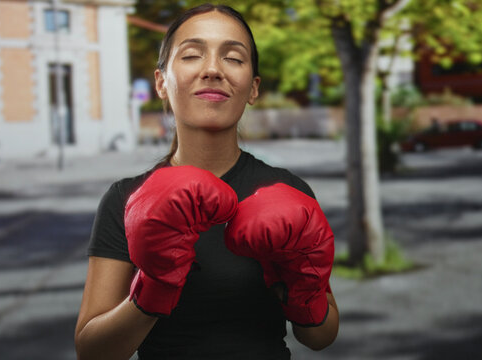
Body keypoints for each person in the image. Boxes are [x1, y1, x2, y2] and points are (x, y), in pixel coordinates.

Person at [75, 4, 339, 360]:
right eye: (192, 55)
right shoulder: (125, 198)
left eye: (233, 58)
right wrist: (154, 287)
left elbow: (320, 337)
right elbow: (92, 350)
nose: (212, 70)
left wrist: (302, 286)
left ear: (253, 88)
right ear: (161, 83)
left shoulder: (288, 190)